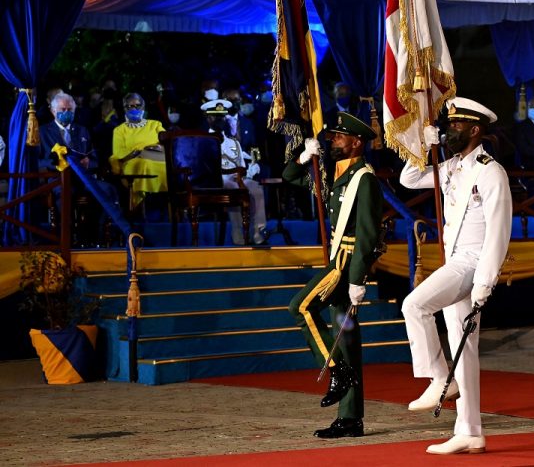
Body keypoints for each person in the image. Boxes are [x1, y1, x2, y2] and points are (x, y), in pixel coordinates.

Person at [400, 97, 512, 455]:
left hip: (472, 264)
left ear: (475, 130)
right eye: (447, 125)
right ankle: (470, 430)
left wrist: (485, 280)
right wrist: (423, 145)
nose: (449, 130)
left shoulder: (490, 171)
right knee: (464, 349)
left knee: (414, 305)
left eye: (455, 126)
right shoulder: (450, 167)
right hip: (455, 261)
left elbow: (499, 231)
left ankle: (438, 378)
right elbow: (410, 177)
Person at [283, 112, 383, 439]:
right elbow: (290, 176)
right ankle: (351, 418)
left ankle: (337, 370)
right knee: (348, 340)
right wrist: (303, 156)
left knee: (299, 307)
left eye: (338, 138)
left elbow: (368, 234)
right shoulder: (334, 174)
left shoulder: (363, 179)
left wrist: (357, 279)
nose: (333, 142)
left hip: (345, 264)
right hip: (338, 260)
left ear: (356, 142)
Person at [38, 92, 120, 243]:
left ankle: (96, 236)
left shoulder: (83, 130)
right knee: (65, 192)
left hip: (84, 179)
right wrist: (60, 163)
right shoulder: (42, 132)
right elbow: (38, 162)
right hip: (59, 180)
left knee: (107, 189)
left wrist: (88, 162)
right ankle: (66, 239)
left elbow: (95, 156)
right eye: (62, 110)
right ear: (53, 111)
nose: (66, 113)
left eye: (70, 110)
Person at [202, 99, 267, 245]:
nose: (220, 119)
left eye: (222, 116)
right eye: (215, 116)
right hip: (216, 181)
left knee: (255, 188)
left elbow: (241, 165)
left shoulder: (233, 142)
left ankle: (257, 232)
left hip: (236, 178)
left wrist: (250, 170)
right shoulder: (203, 140)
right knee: (234, 189)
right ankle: (239, 235)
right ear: (208, 118)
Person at [109, 93, 168, 207]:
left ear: (143, 107)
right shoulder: (119, 130)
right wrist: (138, 152)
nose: (134, 109)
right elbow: (118, 153)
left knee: (168, 165)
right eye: (130, 106)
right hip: (132, 160)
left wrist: (159, 147)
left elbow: (167, 142)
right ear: (124, 108)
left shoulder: (155, 124)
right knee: (144, 163)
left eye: (137, 106)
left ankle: (168, 202)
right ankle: (142, 205)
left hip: (156, 157)